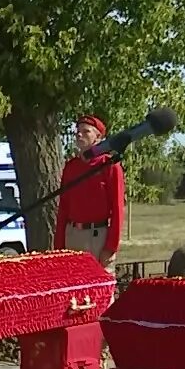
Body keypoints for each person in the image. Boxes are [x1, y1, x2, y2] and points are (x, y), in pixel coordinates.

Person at [54, 114, 126, 269]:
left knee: (99, 288)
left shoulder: (110, 166)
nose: (79, 134)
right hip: (72, 236)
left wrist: (111, 247)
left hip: (97, 237)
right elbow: (63, 208)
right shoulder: (71, 167)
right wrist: (59, 245)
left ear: (98, 137)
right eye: (77, 131)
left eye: (86, 131)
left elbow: (118, 209)